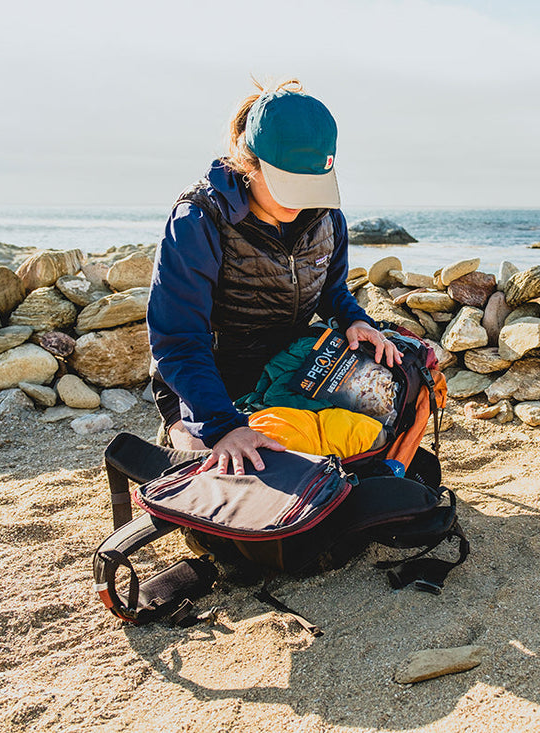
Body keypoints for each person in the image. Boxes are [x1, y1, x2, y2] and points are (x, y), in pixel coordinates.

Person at [147, 79, 400, 475]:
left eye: (310, 184)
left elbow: (330, 289)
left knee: (386, 415)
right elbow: (178, 338)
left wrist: (354, 319)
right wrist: (224, 427)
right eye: (288, 184)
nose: (301, 201)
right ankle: (181, 429)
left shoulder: (327, 217)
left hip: (284, 364)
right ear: (249, 162)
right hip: (206, 376)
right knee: (224, 478)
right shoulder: (198, 219)